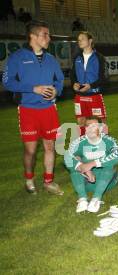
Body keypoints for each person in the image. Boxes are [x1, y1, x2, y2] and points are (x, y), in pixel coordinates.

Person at [2, 20, 64, 195]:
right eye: (45, 34)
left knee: (50, 147)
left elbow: (59, 80)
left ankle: (48, 181)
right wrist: (32, 89)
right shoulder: (17, 57)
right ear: (33, 36)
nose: (49, 38)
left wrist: (56, 92)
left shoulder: (51, 59)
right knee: (30, 150)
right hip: (28, 110)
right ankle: (29, 179)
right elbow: (7, 82)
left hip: (49, 110)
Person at [64, 116, 118, 213]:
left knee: (110, 166)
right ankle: (82, 199)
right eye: (88, 126)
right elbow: (67, 157)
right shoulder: (79, 142)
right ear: (85, 128)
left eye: (94, 126)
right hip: (87, 181)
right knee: (75, 165)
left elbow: (117, 155)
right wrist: (83, 168)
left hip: (107, 182)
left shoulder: (109, 140)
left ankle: (96, 199)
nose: (91, 129)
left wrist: (92, 164)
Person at [71, 31, 108, 136]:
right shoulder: (76, 57)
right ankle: (84, 147)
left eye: (82, 38)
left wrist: (90, 86)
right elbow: (72, 74)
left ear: (90, 41)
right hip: (80, 97)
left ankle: (105, 147)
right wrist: (74, 83)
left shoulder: (99, 57)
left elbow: (104, 78)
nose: (79, 41)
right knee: (81, 123)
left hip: (94, 96)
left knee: (100, 123)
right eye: (78, 39)